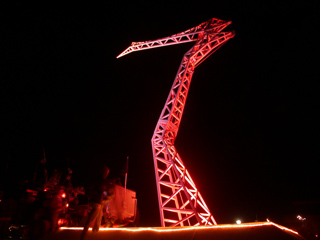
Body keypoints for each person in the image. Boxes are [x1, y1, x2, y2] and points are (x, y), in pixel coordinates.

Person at [80, 166, 113, 240]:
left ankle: (96, 228)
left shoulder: (95, 180)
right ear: (105, 173)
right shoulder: (104, 182)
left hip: (92, 202)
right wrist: (107, 196)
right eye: (106, 173)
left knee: (99, 211)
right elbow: (109, 192)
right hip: (97, 203)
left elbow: (88, 189)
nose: (107, 174)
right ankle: (83, 236)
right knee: (90, 220)